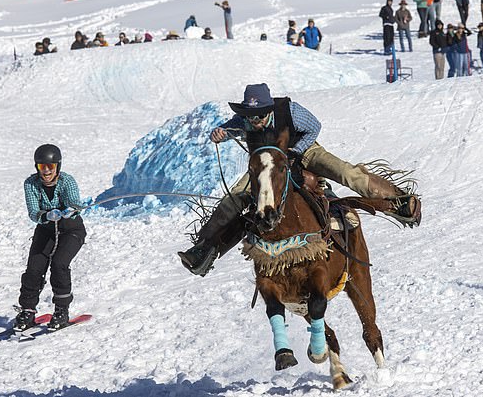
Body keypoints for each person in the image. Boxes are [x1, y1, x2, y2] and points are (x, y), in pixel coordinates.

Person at [178, 84, 422, 276]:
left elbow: (314, 127)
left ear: (269, 109)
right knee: (235, 197)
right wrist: (220, 133)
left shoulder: (290, 111)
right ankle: (205, 248)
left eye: (259, 116)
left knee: (346, 173)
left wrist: (295, 151)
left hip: (305, 151)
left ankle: (399, 200)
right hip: (271, 163)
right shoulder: (246, 120)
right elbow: (231, 129)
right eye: (250, 117)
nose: (255, 121)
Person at [15, 144, 87, 331]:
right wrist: (45, 215)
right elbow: (33, 212)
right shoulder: (30, 184)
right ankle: (28, 311)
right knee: (34, 267)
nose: (46, 171)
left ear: (58, 166)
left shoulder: (67, 181)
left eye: (50, 167)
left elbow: (74, 201)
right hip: (46, 229)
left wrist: (71, 209)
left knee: (59, 264)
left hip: (71, 230)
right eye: (42, 167)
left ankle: (61, 311)